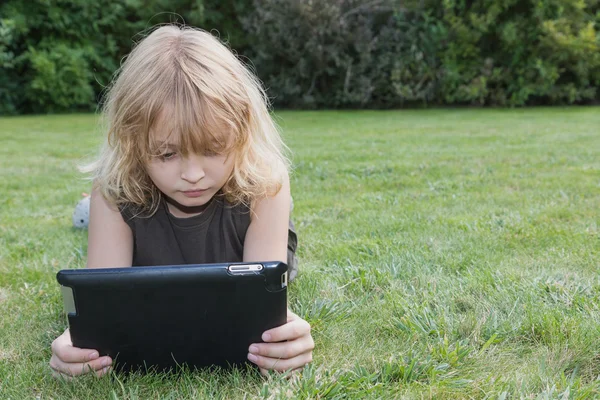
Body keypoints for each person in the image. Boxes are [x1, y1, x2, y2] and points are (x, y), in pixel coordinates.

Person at [49, 25, 314, 378]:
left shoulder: (267, 184)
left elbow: (260, 311)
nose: (193, 174)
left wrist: (285, 341)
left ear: (242, 129)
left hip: (246, 229)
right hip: (131, 208)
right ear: (132, 142)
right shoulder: (114, 190)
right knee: (93, 212)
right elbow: (103, 304)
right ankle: (86, 210)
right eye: (167, 153)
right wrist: (76, 343)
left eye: (213, 149)